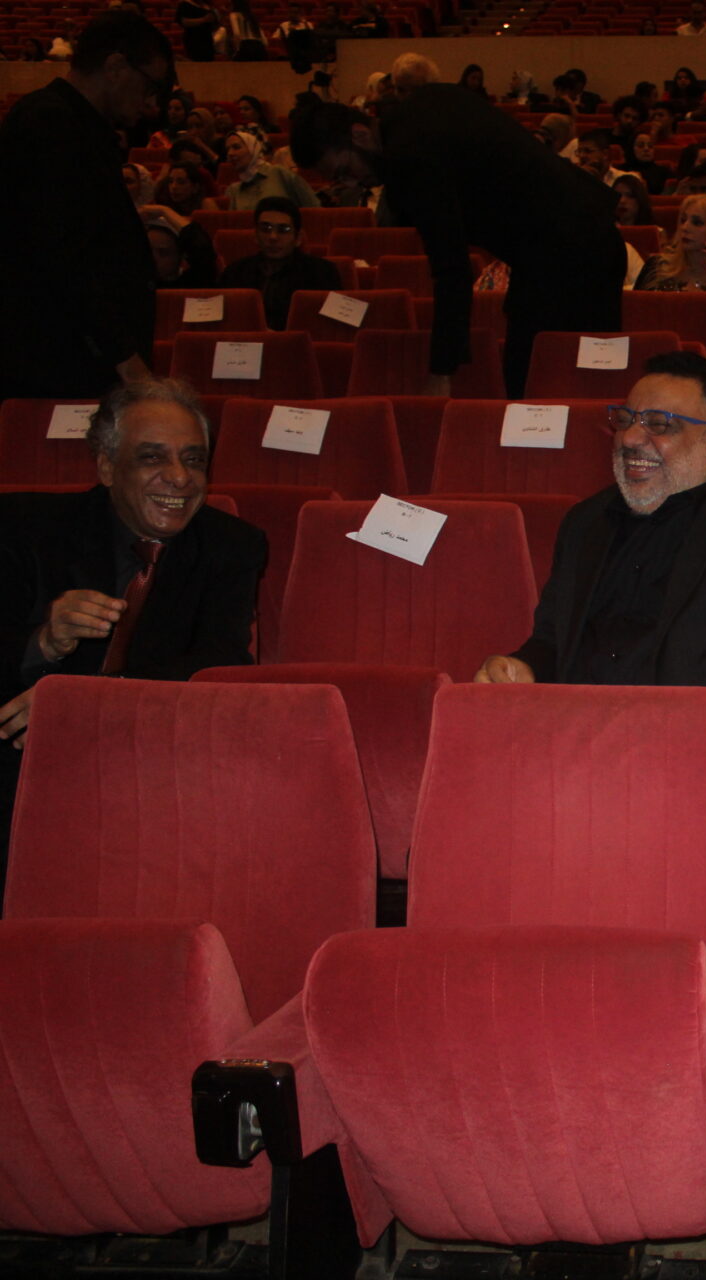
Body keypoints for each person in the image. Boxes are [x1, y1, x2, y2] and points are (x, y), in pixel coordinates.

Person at [475, 351, 706, 834]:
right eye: (625, 419)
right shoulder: (586, 523)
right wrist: (524, 667)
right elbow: (552, 643)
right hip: (576, 772)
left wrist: (688, 736)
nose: (631, 437)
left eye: (659, 424)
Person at [0, 380, 266, 889]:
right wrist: (43, 642)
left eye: (194, 459)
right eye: (152, 458)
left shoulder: (232, 546)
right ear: (106, 467)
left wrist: (90, 704)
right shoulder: (24, 528)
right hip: (20, 754)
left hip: (152, 756)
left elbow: (220, 662)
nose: (180, 477)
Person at [291, 86, 624, 400]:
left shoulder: (410, 155)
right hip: (577, 242)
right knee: (572, 382)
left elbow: (451, 268)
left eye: (345, 170)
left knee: (540, 387)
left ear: (359, 135)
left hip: (568, 256)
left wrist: (441, 371)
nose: (352, 183)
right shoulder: (423, 105)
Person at [0, 10, 174, 400]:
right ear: (116, 67)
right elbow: (64, 255)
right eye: (151, 85)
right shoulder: (51, 123)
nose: (152, 103)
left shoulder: (74, 124)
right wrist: (126, 360)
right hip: (58, 365)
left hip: (71, 357)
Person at [218, 197, 342, 329]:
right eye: (265, 229)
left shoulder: (322, 273)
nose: (273, 237)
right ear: (255, 235)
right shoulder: (235, 273)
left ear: (298, 238)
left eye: (284, 230)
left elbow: (332, 327)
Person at [224, 130, 319, 211]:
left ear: (253, 149)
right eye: (227, 149)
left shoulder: (279, 173)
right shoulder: (233, 190)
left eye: (236, 147)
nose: (230, 153)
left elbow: (313, 206)